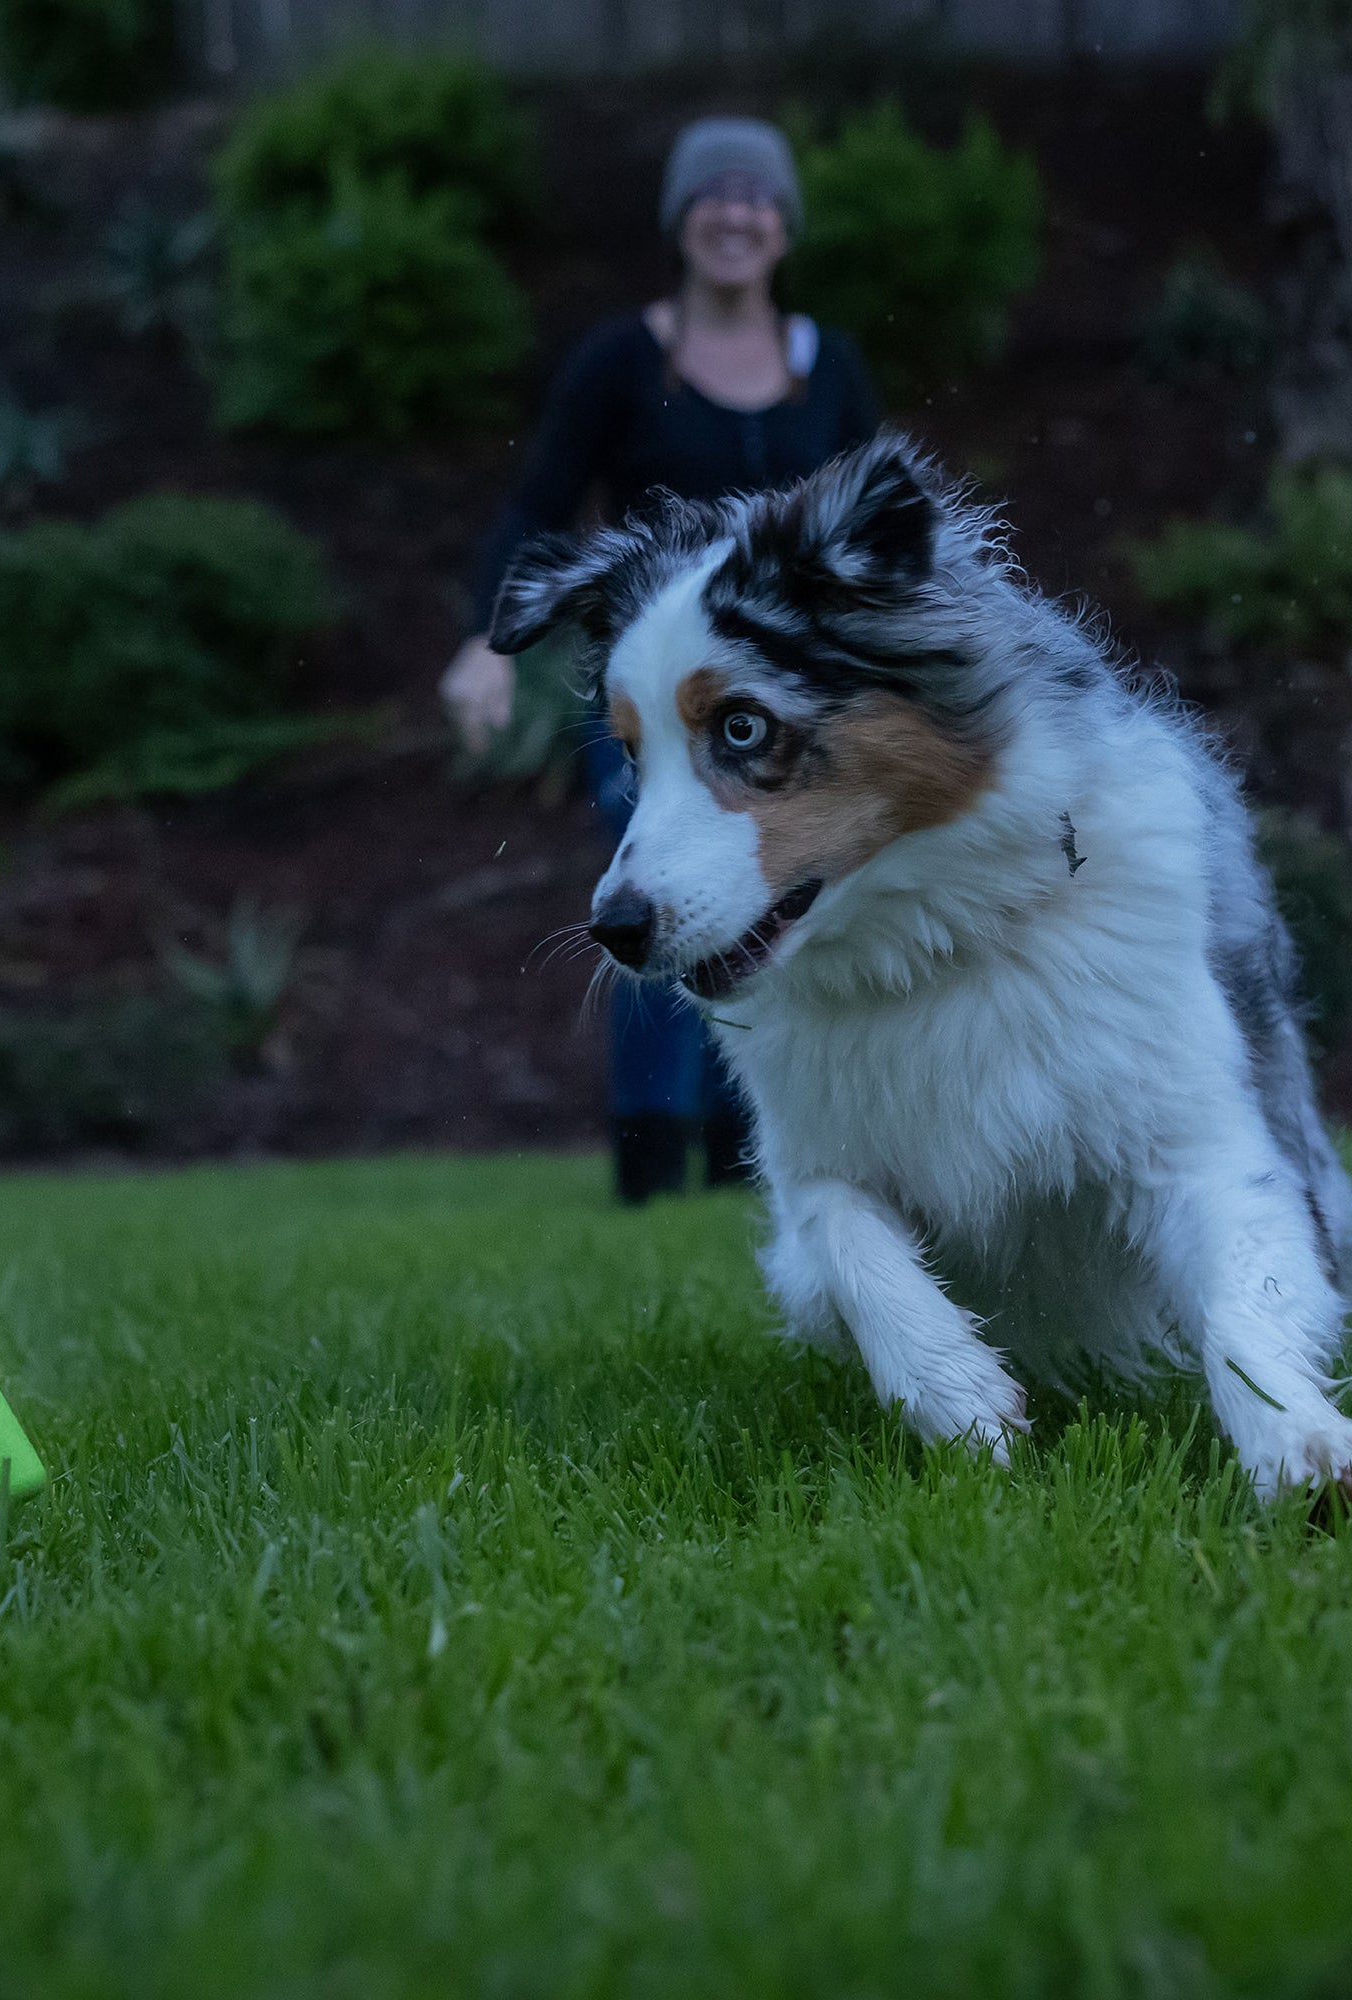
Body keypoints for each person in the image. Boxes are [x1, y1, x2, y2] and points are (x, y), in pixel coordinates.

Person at [442, 116, 881, 1204]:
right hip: (648, 700)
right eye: (713, 194)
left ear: (782, 227)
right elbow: (537, 507)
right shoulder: (616, 363)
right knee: (655, 895)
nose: (736, 212)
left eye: (757, 196)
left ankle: (744, 1165)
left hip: (784, 710)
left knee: (762, 908)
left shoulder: (828, 370)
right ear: (681, 222)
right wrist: (481, 646)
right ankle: (647, 1165)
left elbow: (870, 540)